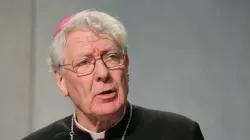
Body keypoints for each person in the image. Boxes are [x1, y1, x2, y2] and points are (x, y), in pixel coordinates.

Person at [22, 9, 204, 140]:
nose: (103, 73)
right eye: (84, 63)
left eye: (111, 57)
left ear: (126, 66)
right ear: (61, 81)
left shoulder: (179, 133)